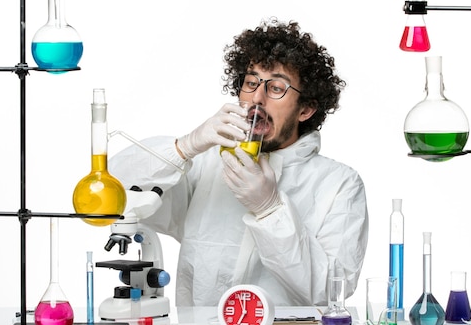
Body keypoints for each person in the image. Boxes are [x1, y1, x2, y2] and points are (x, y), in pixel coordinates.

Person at [109, 19, 368, 307]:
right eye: (251, 82)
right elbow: (111, 191)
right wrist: (185, 146)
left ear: (305, 109)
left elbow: (330, 291)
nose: (257, 98)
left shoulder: (339, 184)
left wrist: (270, 211)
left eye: (276, 87)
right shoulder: (206, 164)